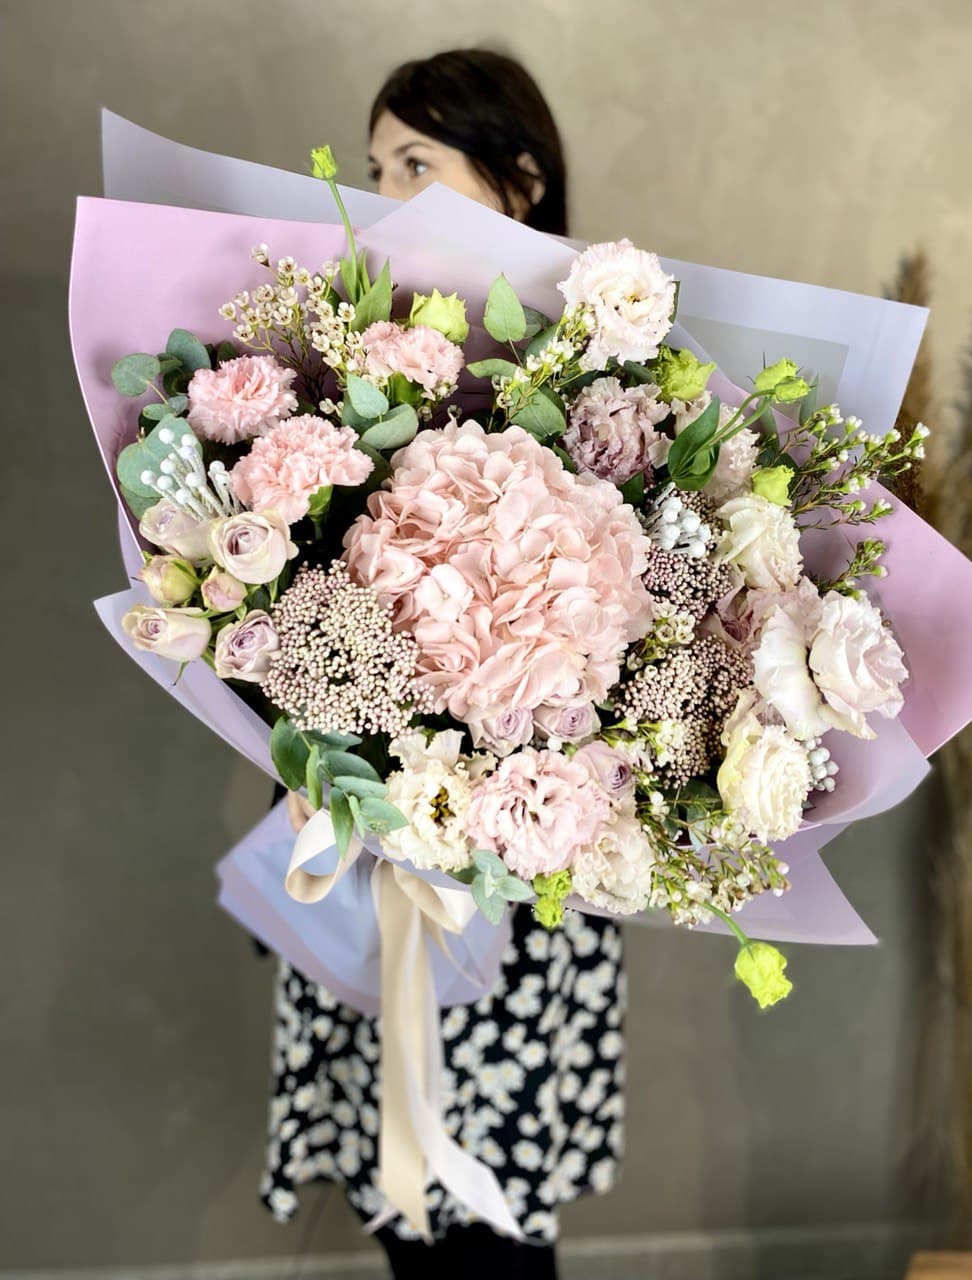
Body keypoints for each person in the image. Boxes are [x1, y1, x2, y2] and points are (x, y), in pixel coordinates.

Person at [259, 50, 626, 1280]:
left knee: (493, 1224)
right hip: (368, 852)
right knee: (403, 1218)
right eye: (375, 170)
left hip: (513, 872)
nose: (385, 196)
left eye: (416, 163)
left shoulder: (605, 385)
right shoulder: (347, 367)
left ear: (521, 179)